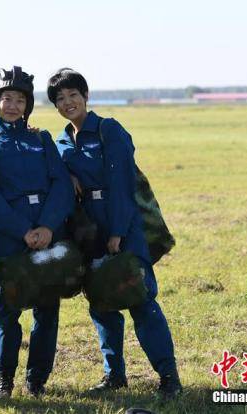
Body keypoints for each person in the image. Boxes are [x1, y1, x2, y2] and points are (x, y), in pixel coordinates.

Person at [47, 68, 182, 399]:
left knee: (141, 300)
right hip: (88, 232)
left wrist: (118, 232)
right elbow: (55, 176)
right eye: (60, 99)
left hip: (122, 225)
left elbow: (123, 184)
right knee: (102, 304)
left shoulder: (109, 131)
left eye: (73, 95)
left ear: (86, 95)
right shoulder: (61, 141)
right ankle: (114, 374)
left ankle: (168, 377)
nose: (68, 103)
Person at [0, 66, 74, 398]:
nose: (12, 105)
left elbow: (60, 184)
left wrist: (47, 226)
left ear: (27, 105)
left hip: (48, 234)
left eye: (19, 100)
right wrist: (22, 231)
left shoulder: (41, 139)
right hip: (11, 239)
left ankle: (38, 380)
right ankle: (4, 379)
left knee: (47, 309)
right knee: (7, 310)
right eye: (6, 99)